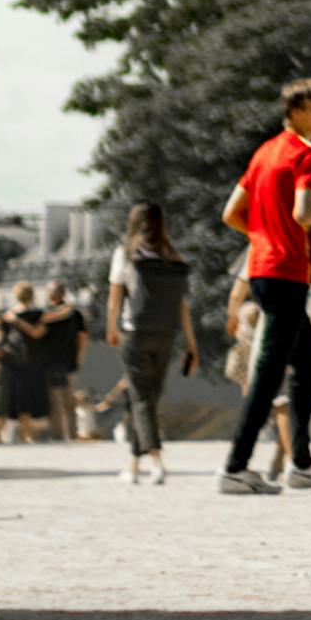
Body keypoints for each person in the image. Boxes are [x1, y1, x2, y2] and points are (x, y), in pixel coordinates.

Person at [220, 77, 311, 493]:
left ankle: (302, 463)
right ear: (295, 113)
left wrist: (260, 237)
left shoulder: (264, 152)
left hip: (264, 270)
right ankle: (236, 466)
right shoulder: (309, 155)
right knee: (269, 375)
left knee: (309, 365)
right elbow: (304, 213)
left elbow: (231, 212)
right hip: (286, 271)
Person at [102, 203, 190, 481]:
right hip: (167, 332)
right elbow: (183, 305)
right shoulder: (173, 255)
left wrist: (111, 328)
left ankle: (156, 462)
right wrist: (191, 342)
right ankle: (132, 465)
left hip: (135, 331)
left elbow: (115, 298)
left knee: (141, 400)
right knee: (149, 399)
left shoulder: (126, 254)